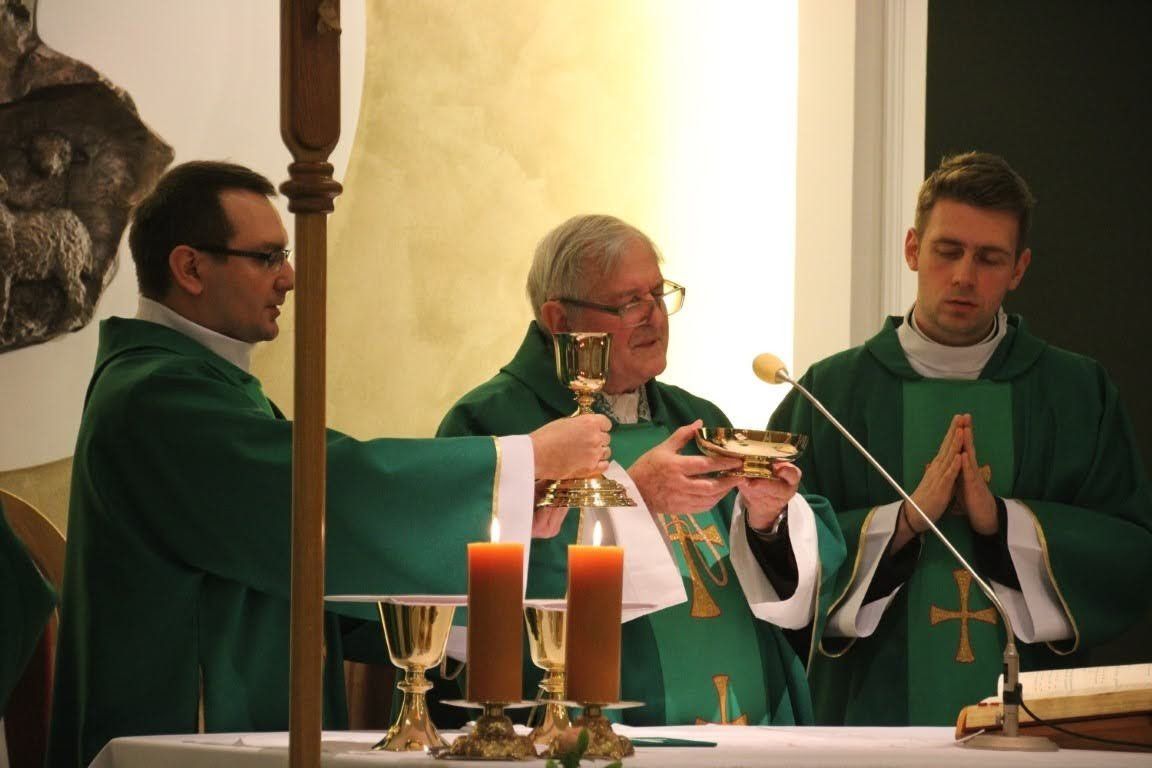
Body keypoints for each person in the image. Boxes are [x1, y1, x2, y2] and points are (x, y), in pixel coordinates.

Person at [47, 161, 611, 767]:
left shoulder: (205, 385)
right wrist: (523, 459)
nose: (289, 278)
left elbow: (291, 553)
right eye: (267, 257)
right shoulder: (156, 398)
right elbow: (328, 490)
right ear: (190, 268)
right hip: (179, 726)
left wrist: (491, 544)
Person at [769, 151, 1152, 726]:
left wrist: (1002, 523)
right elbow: (774, 551)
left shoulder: (1076, 393)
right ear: (912, 249)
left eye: (990, 258)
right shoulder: (830, 393)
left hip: (1035, 725)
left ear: (1019, 269)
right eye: (947, 251)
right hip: (869, 716)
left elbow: (1127, 554)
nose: (964, 277)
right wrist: (903, 522)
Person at [439, 215, 846, 726]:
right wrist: (634, 496)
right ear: (559, 319)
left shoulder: (697, 418)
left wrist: (766, 521)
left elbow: (779, 585)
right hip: (590, 729)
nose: (655, 317)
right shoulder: (493, 427)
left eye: (658, 294)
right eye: (630, 302)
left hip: (745, 729)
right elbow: (468, 594)